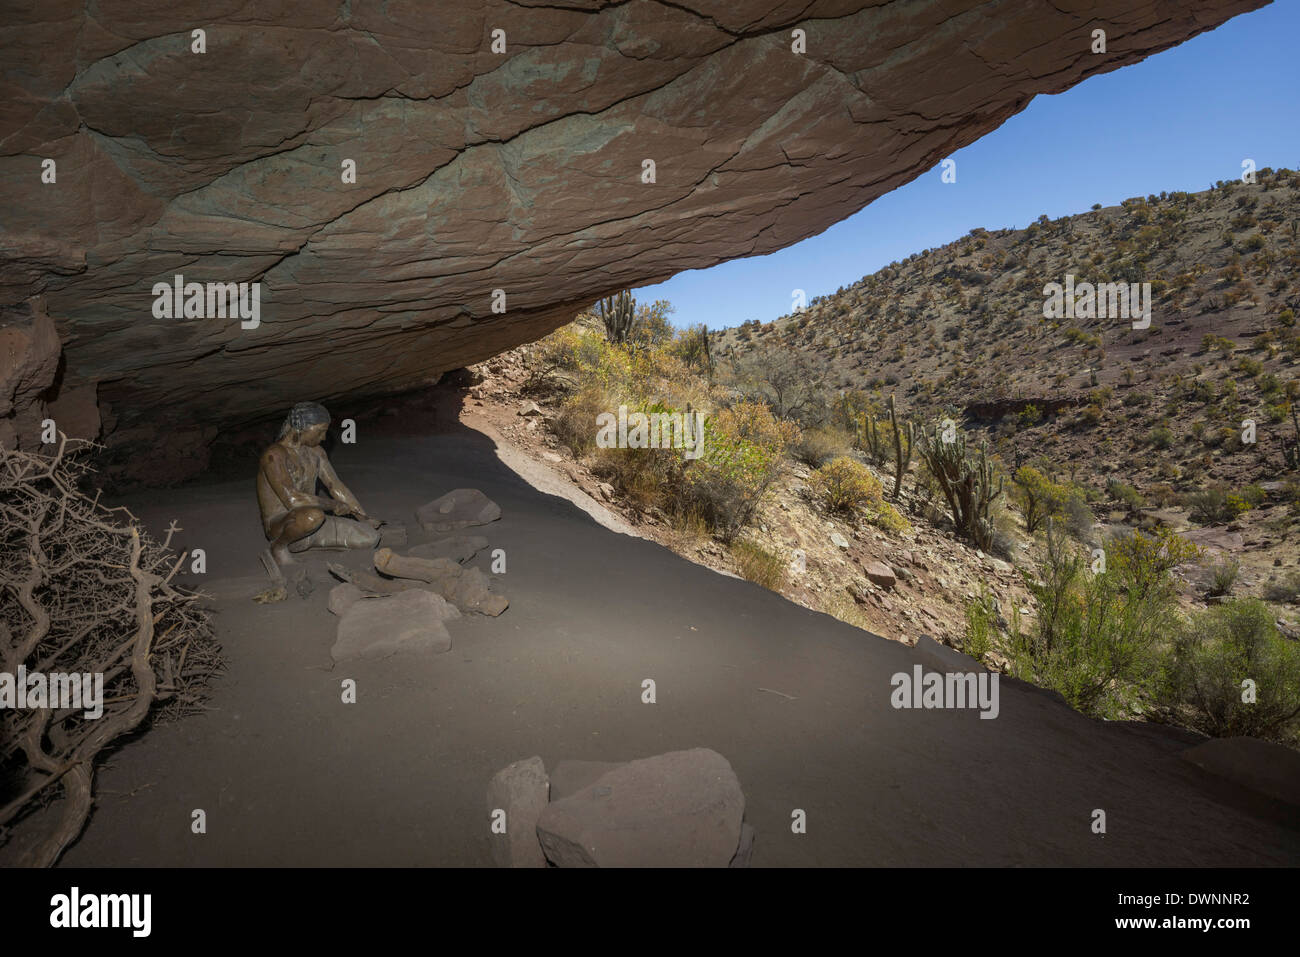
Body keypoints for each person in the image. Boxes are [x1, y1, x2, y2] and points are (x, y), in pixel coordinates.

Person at [256, 401, 380, 568]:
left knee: (370, 537)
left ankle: (308, 544)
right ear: (302, 427)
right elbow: (291, 500)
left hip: (313, 522)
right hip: (282, 523)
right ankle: (279, 547)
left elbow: (335, 486)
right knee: (313, 516)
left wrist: (363, 517)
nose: (323, 437)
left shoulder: (316, 451)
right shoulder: (274, 455)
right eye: (320, 431)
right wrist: (332, 504)